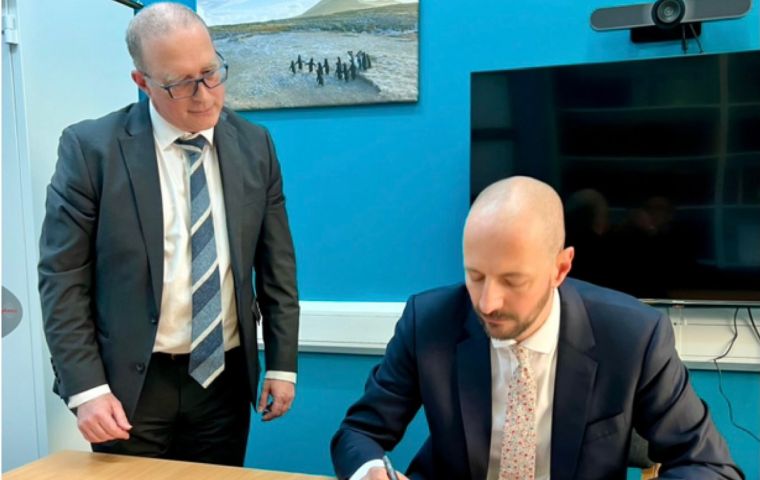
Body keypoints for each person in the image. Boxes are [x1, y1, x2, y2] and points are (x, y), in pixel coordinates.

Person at [331, 177, 742, 480]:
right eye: (475, 275)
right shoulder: (430, 321)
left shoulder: (634, 335)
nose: (487, 302)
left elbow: (708, 465)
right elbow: (358, 432)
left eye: (512, 281)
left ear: (560, 268)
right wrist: (369, 471)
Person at [38, 2, 299, 466]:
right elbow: (63, 277)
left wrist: (282, 364)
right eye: (180, 83)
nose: (204, 95)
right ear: (143, 82)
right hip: (129, 389)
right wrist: (87, 390)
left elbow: (276, 265)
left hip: (223, 379)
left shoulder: (255, 145)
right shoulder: (91, 150)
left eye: (211, 72)